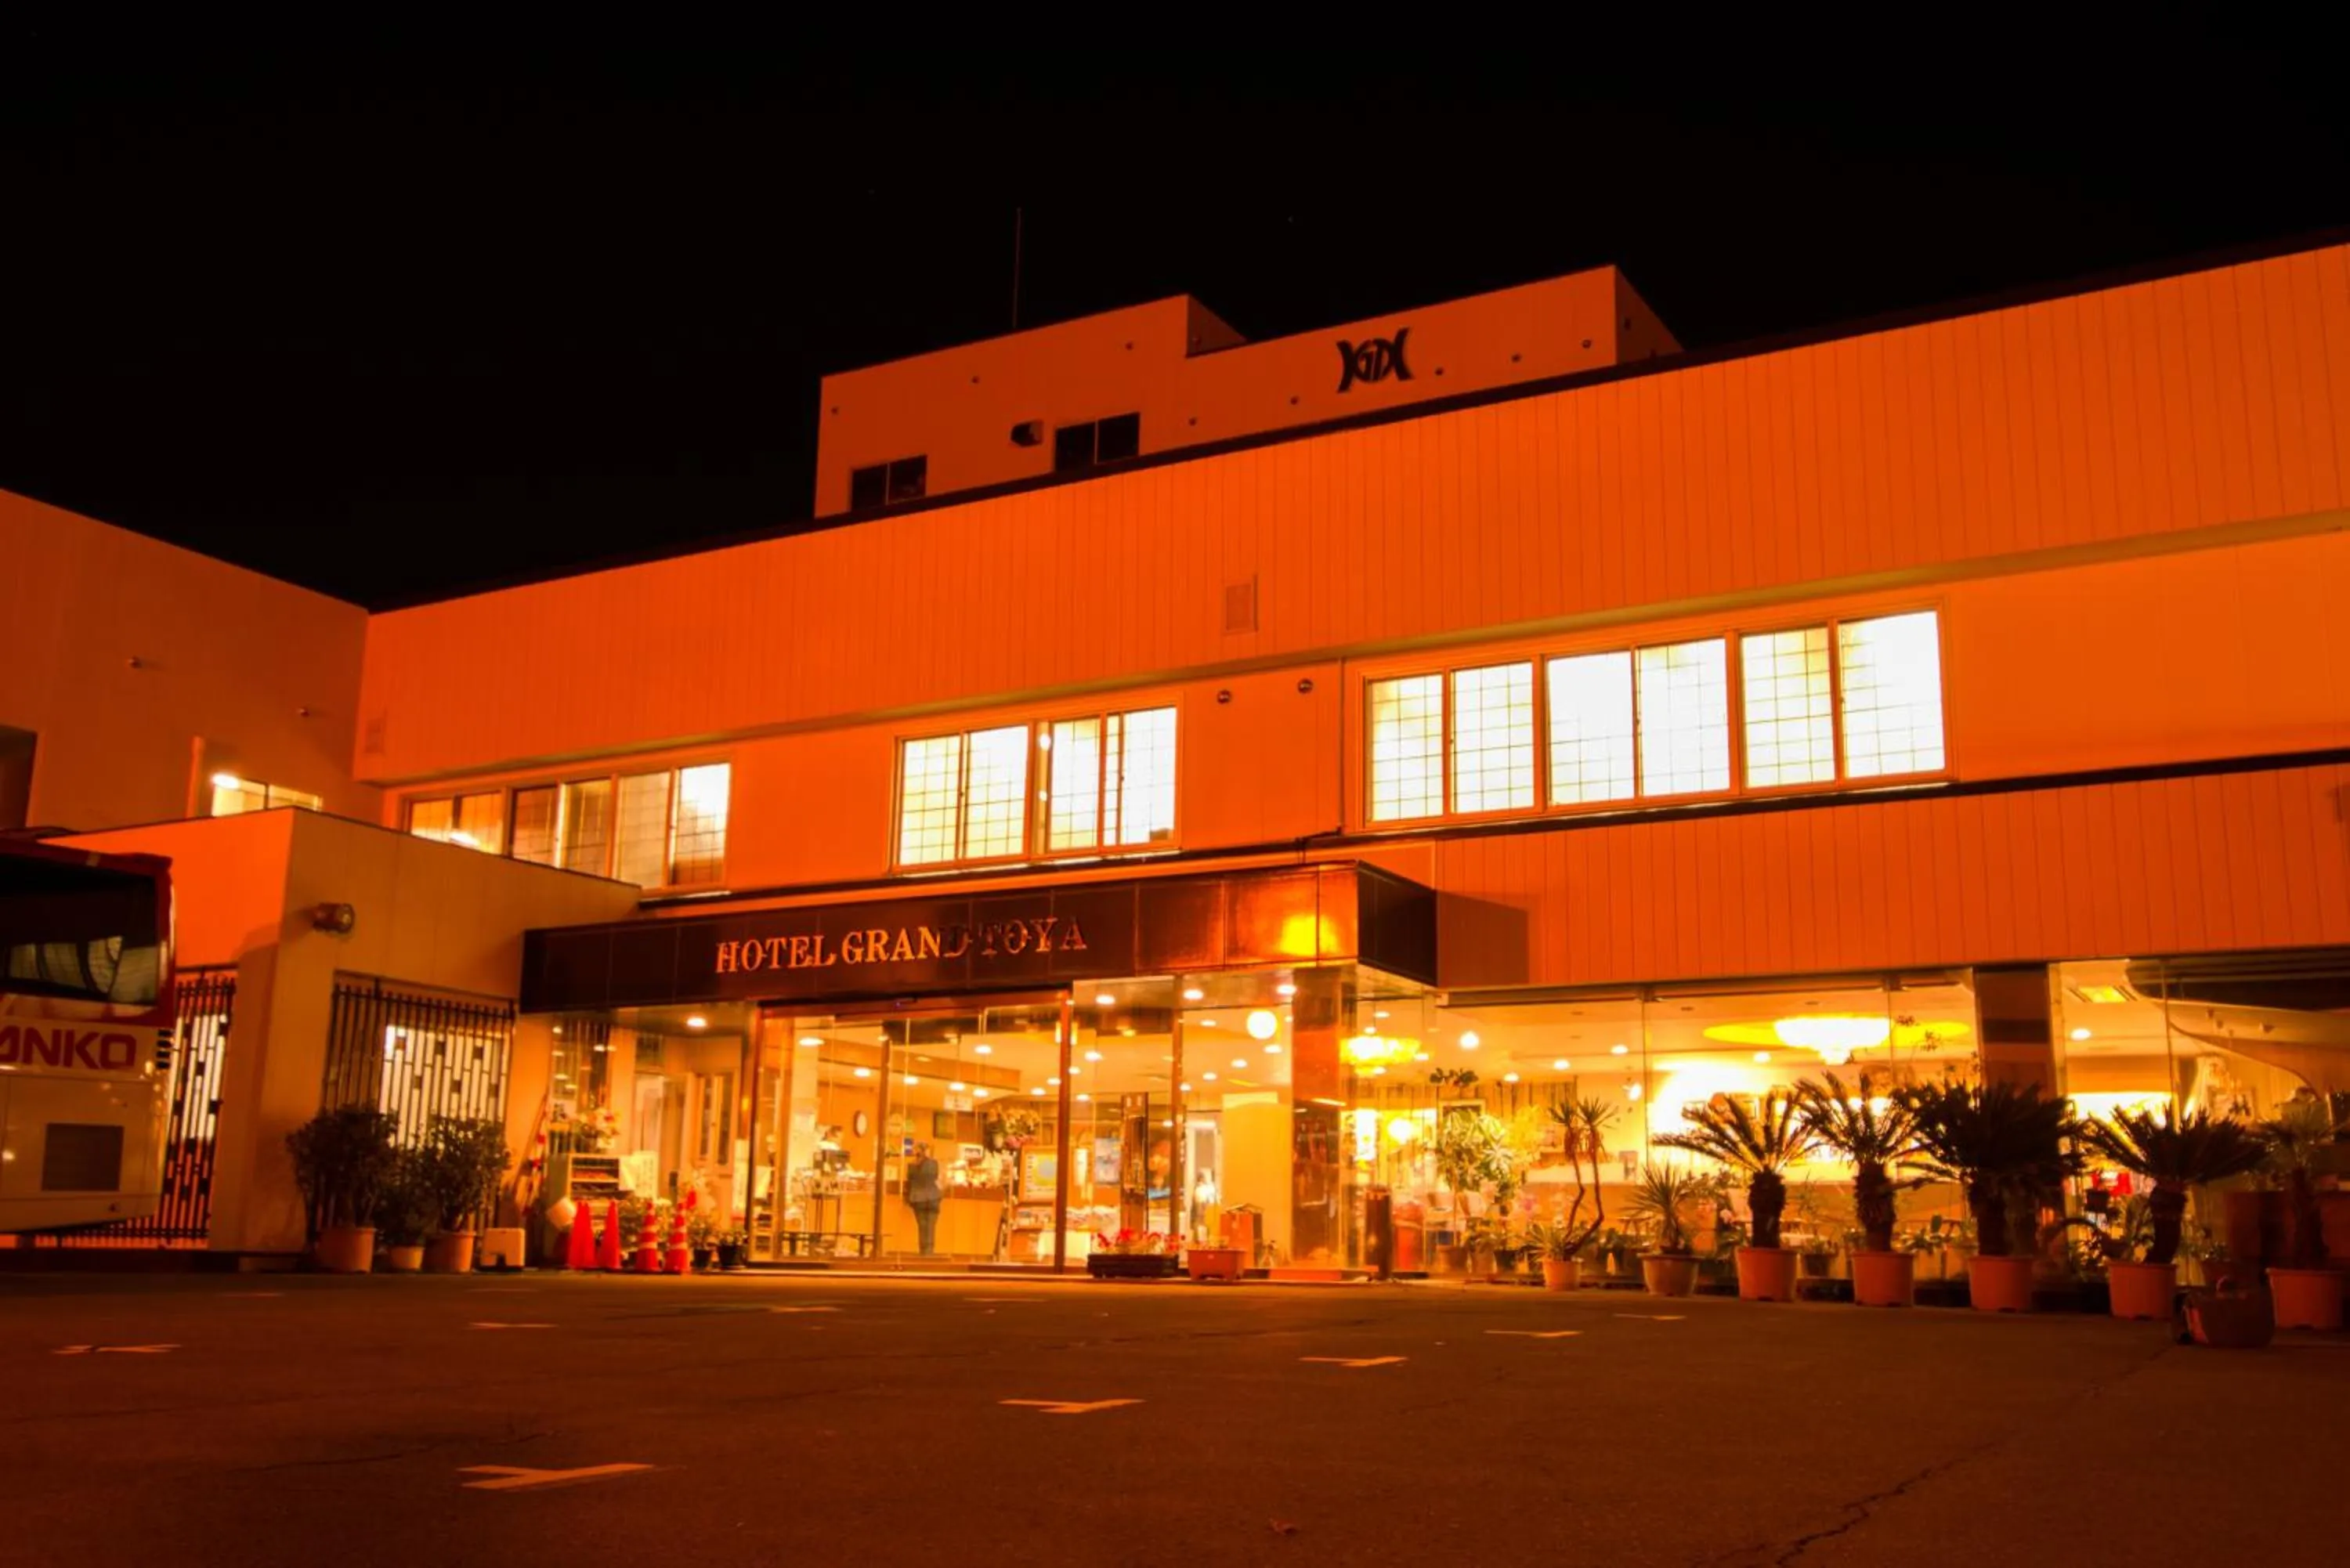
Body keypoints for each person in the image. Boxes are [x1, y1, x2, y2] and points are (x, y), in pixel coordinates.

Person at [904, 1141, 943, 1256]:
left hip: (918, 1199)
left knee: (922, 1226)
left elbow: (909, 1181)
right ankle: (930, 1251)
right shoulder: (934, 1164)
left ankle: (923, 1252)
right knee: (931, 1226)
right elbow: (936, 1177)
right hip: (933, 1197)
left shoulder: (912, 1165)